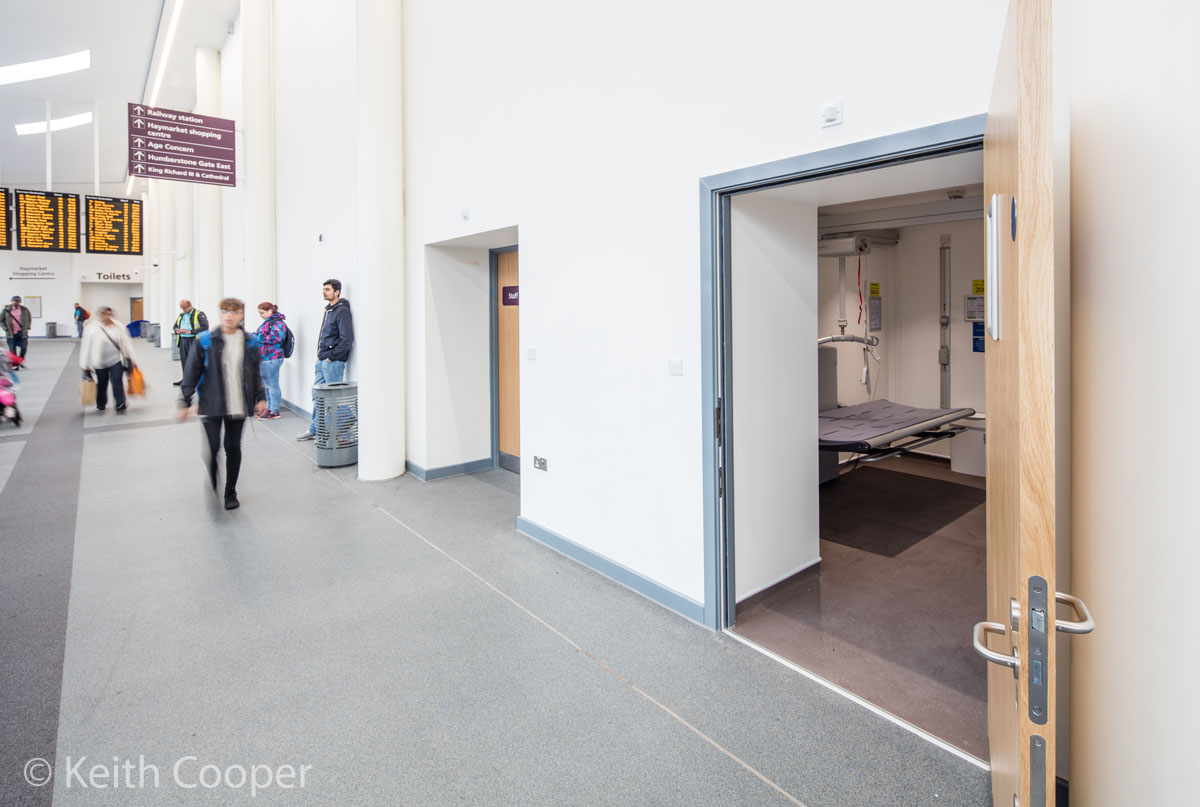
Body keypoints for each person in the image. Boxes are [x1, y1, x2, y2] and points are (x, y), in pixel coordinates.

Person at [178, 298, 267, 510]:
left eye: (234, 312)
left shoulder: (250, 342)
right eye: (225, 311)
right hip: (211, 403)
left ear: (241, 315)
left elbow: (255, 372)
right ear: (220, 314)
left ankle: (230, 491)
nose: (229, 315)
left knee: (233, 447)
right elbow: (192, 371)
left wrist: (260, 397)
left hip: (238, 404)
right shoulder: (206, 340)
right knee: (212, 448)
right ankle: (214, 482)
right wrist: (185, 400)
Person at [297, 279, 354, 441]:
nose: (324, 292)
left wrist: (332, 356)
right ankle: (317, 430)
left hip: (333, 362)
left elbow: (346, 339)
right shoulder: (329, 310)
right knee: (317, 396)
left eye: (327, 289)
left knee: (334, 399)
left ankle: (340, 434)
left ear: (337, 292)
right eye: (323, 289)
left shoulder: (342, 311)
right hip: (322, 360)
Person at [80, 307, 137, 414]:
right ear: (100, 315)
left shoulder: (118, 327)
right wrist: (84, 364)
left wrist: (132, 358)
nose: (107, 316)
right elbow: (86, 347)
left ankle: (120, 403)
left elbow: (127, 343)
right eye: (105, 314)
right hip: (99, 361)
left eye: (109, 314)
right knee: (102, 383)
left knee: (117, 381)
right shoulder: (92, 328)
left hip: (116, 360)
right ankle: (101, 403)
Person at [254, 302, 287, 420]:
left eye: (262, 313)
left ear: (270, 311)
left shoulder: (278, 323)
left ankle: (274, 410)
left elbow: (276, 338)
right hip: (265, 358)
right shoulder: (268, 323)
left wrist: (256, 337)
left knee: (272, 385)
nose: (260, 315)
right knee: (267, 385)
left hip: (273, 357)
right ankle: (268, 408)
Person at [173, 299, 208, 386]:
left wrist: (190, 332)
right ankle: (186, 379)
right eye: (182, 308)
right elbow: (175, 326)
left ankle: (197, 381)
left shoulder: (199, 314)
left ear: (190, 306)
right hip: (183, 340)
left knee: (194, 361)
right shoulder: (181, 315)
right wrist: (177, 330)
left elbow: (205, 327)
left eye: (185, 308)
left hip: (193, 340)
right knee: (184, 361)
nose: (183, 310)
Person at [2, 295, 32, 363]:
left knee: (24, 347)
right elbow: (1, 320)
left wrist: (28, 326)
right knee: (12, 349)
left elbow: (29, 318)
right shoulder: (6, 310)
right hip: (10, 333)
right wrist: (5, 328)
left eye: (17, 301)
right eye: (14, 300)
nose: (16, 302)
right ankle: (15, 364)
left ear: (20, 301)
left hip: (22, 332)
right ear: (11, 301)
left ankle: (21, 359)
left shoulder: (24, 309)